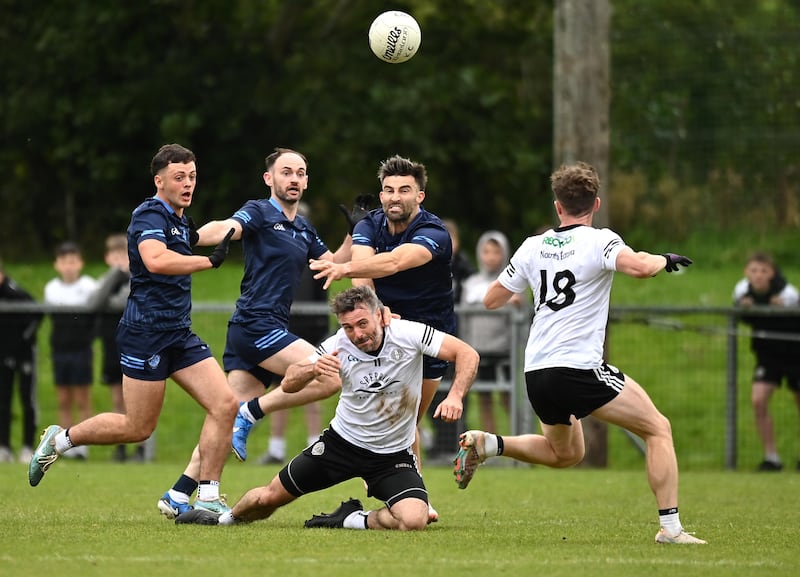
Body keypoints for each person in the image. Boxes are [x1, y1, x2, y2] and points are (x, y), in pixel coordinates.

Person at [452, 162, 706, 545]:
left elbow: (491, 299)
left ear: (558, 206)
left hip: (537, 371)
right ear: (596, 203)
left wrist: (533, 283)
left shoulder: (532, 246)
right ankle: (670, 529)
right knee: (658, 428)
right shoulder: (600, 240)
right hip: (578, 368)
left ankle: (491, 444)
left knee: (566, 454)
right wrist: (664, 259)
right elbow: (638, 267)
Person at [29, 143, 239, 518]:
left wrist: (245, 225)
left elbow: (207, 234)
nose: (188, 183)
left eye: (192, 176)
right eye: (179, 177)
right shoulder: (149, 214)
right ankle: (59, 441)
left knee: (225, 404)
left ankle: (207, 495)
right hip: (145, 334)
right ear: (159, 181)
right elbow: (155, 260)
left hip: (179, 333)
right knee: (137, 427)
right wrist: (207, 263)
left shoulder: (179, 219)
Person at [175, 285, 479, 529]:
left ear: (381, 315)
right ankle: (223, 520)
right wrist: (311, 369)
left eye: (363, 324)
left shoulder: (409, 334)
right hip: (340, 446)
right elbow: (290, 381)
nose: (358, 335)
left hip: (392, 456)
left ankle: (350, 519)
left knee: (414, 520)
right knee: (268, 499)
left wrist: (455, 395)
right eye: (348, 327)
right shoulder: (337, 344)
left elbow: (466, 353)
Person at [156, 147, 356, 518]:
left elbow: (331, 264)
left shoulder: (304, 228)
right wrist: (196, 237)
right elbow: (227, 227)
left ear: (306, 181)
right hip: (255, 325)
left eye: (300, 173)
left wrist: (353, 234)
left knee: (222, 417)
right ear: (270, 179)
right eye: (286, 172)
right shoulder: (261, 212)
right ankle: (254, 412)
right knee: (331, 375)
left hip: (263, 329)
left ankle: (179, 493)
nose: (293, 178)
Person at [309, 154, 457, 521]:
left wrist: (344, 266)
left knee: (409, 421)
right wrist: (375, 310)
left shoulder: (434, 232)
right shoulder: (368, 224)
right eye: (389, 190)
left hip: (428, 334)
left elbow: (394, 262)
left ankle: (403, 491)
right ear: (381, 194)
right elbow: (362, 280)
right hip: (383, 332)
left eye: (404, 190)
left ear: (419, 196)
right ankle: (410, 495)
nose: (395, 197)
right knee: (394, 424)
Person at [257, 202, 326, 465]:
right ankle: (276, 448)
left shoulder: (317, 260)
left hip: (309, 332)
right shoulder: (277, 256)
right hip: (281, 329)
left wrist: (319, 329)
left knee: (314, 388)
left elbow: (321, 297)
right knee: (280, 387)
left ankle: (315, 446)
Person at [87, 233, 154, 462]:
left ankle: (142, 449)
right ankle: (120, 448)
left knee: (136, 403)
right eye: (115, 257)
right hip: (111, 346)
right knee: (117, 400)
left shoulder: (138, 278)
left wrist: (118, 281)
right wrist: (114, 275)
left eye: (123, 256)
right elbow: (94, 303)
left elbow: (120, 302)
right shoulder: (108, 278)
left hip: (135, 346)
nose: (120, 261)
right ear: (108, 258)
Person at [733, 251, 800, 472]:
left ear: (772, 273)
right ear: (746, 272)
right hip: (767, 355)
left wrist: (780, 308)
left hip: (795, 353)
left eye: (764, 271)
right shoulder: (742, 291)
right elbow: (739, 313)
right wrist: (746, 308)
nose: (758, 275)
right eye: (754, 270)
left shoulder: (788, 293)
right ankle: (772, 458)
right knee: (758, 400)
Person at [460, 230, 526, 433]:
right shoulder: (470, 284)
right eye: (486, 251)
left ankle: (521, 442)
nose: (490, 257)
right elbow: (464, 318)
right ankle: (491, 447)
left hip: (504, 353)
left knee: (507, 399)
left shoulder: (513, 283)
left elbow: (521, 311)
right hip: (478, 350)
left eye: (496, 252)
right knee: (484, 400)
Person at [423, 219, 475, 461]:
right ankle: (439, 445)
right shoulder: (425, 264)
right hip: (430, 339)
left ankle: (457, 443)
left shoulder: (464, 268)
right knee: (430, 394)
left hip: (457, 339)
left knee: (457, 393)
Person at [43, 242, 98, 459]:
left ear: (80, 263)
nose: (69, 266)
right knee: (63, 399)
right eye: (64, 262)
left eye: (73, 261)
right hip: (60, 350)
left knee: (83, 398)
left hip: (81, 349)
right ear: (57, 264)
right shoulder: (51, 288)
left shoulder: (89, 286)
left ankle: (83, 444)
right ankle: (63, 446)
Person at [0, 259, 42, 463]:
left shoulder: (14, 291)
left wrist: (23, 340)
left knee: (27, 399)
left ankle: (27, 446)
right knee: (3, 400)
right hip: (3, 356)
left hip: (24, 354)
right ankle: (4, 446)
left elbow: (37, 313)